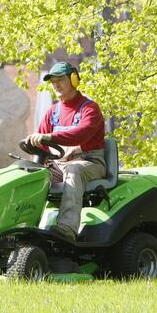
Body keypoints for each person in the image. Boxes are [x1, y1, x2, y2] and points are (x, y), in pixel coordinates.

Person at [27, 62, 106, 241]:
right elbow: (42, 148)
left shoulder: (89, 109)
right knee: (30, 178)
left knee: (73, 170)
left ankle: (67, 229)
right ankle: (27, 228)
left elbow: (80, 135)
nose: (56, 85)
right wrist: (33, 168)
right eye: (53, 81)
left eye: (60, 79)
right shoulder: (52, 112)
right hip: (58, 165)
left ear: (74, 80)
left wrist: (51, 137)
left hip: (89, 163)